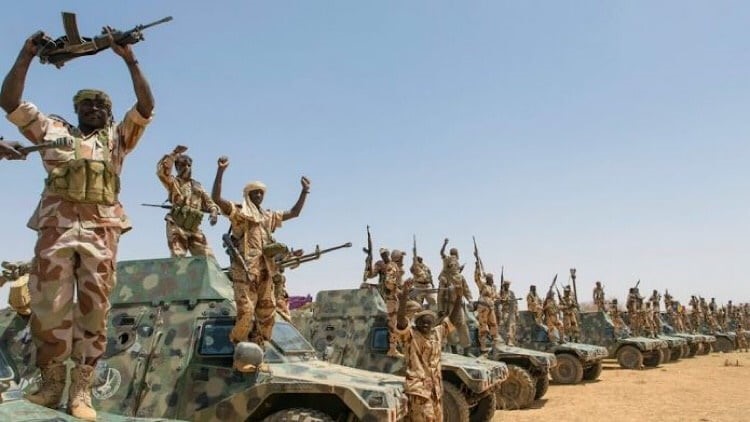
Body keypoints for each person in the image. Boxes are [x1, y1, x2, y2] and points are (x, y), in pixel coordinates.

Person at [0, 28, 154, 420]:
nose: (93, 109)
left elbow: (146, 106)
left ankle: (81, 389)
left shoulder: (118, 140)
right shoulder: (54, 132)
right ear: (76, 110)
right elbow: (11, 103)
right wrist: (26, 54)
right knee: (48, 305)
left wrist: (129, 59)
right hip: (57, 226)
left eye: (100, 105)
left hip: (102, 230)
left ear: (109, 113)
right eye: (85, 104)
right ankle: (52, 383)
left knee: (94, 309)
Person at [211, 155, 310, 352]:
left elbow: (294, 213)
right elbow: (216, 199)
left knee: (268, 316)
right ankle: (237, 344)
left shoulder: (268, 217)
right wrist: (220, 171)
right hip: (245, 271)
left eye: (261, 193)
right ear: (248, 195)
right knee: (246, 313)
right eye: (254, 193)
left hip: (266, 273)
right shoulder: (241, 214)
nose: (258, 196)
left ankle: (258, 352)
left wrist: (304, 192)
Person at [396, 279, 458, 422]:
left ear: (432, 324)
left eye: (428, 322)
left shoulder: (437, 334)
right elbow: (400, 320)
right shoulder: (410, 336)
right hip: (418, 391)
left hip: (435, 390)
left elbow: (452, 321)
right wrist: (405, 294)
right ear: (415, 323)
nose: (425, 324)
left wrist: (459, 298)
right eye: (421, 322)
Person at [156, 145, 219, 257]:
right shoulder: (173, 183)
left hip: (193, 226)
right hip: (177, 223)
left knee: (207, 257)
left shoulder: (197, 186)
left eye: (189, 165)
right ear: (177, 167)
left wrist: (214, 212)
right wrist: (174, 154)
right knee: (178, 256)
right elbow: (162, 172)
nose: (187, 168)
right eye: (183, 165)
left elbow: (209, 202)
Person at [437, 238, 472, 352]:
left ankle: (466, 349)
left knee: (462, 326)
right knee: (450, 326)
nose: (455, 265)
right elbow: (440, 295)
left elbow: (466, 289)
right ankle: (453, 349)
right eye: (452, 264)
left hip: (459, 304)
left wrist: (470, 300)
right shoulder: (444, 278)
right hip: (449, 306)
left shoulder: (460, 277)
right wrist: (441, 308)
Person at [383, 250, 406, 357]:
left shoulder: (395, 267)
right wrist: (398, 291)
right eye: (401, 257)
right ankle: (392, 349)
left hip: (395, 299)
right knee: (393, 324)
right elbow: (389, 283)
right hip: (392, 299)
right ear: (397, 257)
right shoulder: (392, 267)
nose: (403, 259)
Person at [473, 262, 498, 353]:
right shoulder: (483, 286)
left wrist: (502, 299)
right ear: (487, 279)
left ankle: (495, 344)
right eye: (491, 279)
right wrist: (477, 267)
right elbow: (477, 278)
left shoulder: (493, 288)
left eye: (492, 279)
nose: (492, 280)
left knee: (494, 324)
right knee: (483, 326)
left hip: (491, 308)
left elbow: (496, 296)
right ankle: (483, 346)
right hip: (483, 307)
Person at [498, 279, 519, 345]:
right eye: (506, 285)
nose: (508, 286)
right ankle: (505, 340)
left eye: (508, 285)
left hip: (512, 311)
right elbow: (498, 301)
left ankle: (510, 341)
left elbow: (515, 303)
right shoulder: (501, 292)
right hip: (505, 311)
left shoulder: (511, 293)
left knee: (512, 326)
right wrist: (503, 300)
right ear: (504, 285)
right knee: (503, 326)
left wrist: (517, 312)